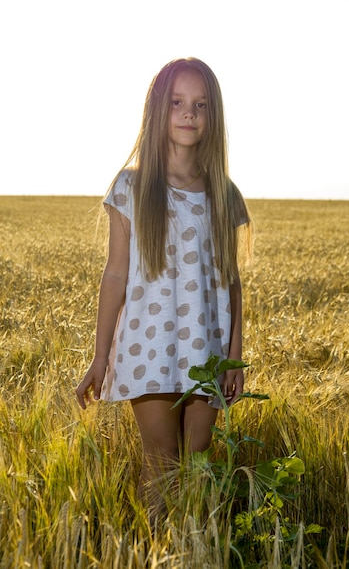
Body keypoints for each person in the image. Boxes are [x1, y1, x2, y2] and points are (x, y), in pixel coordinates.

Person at [75, 57, 251, 516]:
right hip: (146, 345)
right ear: (159, 110)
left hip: (206, 348)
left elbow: (231, 281)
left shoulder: (223, 193)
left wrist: (234, 357)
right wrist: (100, 356)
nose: (188, 113)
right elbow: (114, 274)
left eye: (200, 104)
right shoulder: (132, 187)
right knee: (162, 463)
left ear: (213, 117)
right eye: (177, 102)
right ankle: (157, 550)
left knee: (199, 457)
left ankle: (193, 548)